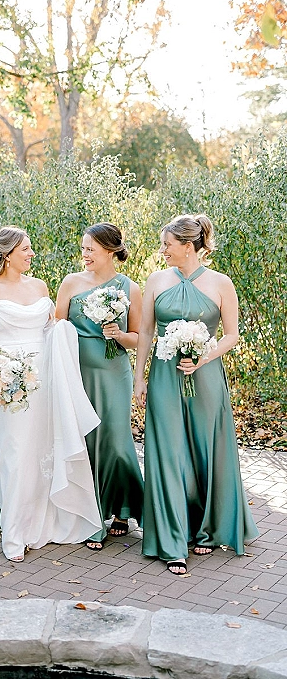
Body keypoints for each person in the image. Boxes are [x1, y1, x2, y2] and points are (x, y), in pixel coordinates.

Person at [134, 214, 258, 575]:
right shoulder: (157, 280)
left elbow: (232, 335)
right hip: (164, 377)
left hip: (205, 378)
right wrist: (139, 378)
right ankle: (173, 541)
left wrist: (204, 357)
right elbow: (146, 332)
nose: (163, 250)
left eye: (168, 244)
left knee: (206, 449)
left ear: (188, 246)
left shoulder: (221, 283)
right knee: (167, 451)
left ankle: (206, 529)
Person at [0, 226, 102, 562]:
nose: (31, 254)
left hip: (43, 379)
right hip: (7, 384)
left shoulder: (39, 286)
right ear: (7, 254)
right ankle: (14, 532)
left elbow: (50, 329)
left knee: (42, 449)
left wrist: (66, 331)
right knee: (15, 453)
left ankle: (43, 522)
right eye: (25, 249)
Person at [56, 223, 144, 549]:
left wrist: (118, 334)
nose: (85, 254)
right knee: (86, 442)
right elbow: (56, 326)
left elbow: (138, 338)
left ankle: (124, 509)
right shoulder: (71, 283)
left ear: (110, 251)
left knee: (117, 443)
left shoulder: (130, 288)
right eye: (83, 248)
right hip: (77, 372)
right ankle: (92, 516)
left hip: (114, 373)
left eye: (90, 249)